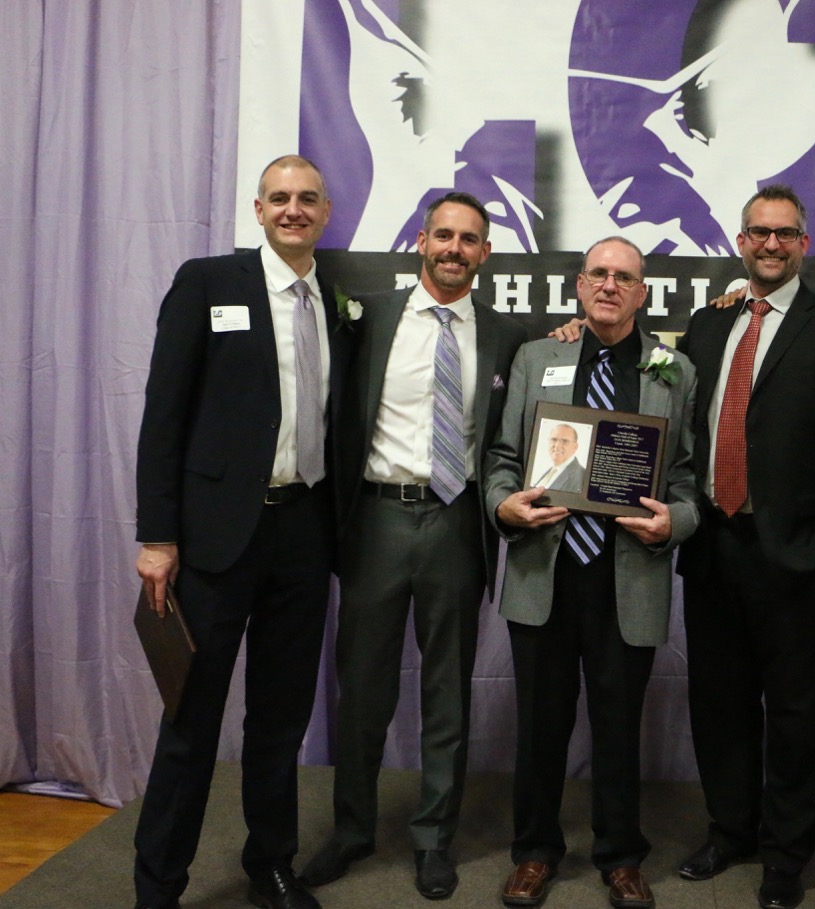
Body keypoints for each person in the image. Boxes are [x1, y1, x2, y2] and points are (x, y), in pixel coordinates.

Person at [133, 155, 350, 909]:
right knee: (191, 719)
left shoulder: (336, 303)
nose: (294, 209)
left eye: (308, 198)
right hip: (215, 540)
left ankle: (271, 864)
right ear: (258, 210)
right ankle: (158, 884)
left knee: (281, 718)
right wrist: (157, 536)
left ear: (326, 213)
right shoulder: (208, 283)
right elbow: (163, 413)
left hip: (304, 534)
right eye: (279, 198)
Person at [300, 192, 526, 900]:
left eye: (470, 239)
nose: (455, 249)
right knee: (363, 687)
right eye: (444, 235)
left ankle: (433, 838)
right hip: (377, 520)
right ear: (422, 242)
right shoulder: (367, 317)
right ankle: (351, 830)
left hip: (457, 522)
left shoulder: (507, 334)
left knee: (447, 690)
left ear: (485, 252)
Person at [675, 185, 815, 909]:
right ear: (740, 242)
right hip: (714, 548)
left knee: (795, 716)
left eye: (785, 233)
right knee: (719, 704)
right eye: (759, 232)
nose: (771, 244)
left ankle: (785, 854)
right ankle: (729, 830)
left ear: (805, 243)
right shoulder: (710, 325)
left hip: (797, 559)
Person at [485, 237, 699, 909]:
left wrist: (676, 522)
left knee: (618, 726)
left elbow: (688, 476)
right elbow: (502, 457)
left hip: (626, 574)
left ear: (642, 293)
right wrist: (503, 504)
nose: (610, 285)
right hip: (545, 571)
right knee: (540, 726)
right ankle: (534, 851)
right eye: (599, 274)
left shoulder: (674, 371)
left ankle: (621, 856)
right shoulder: (536, 358)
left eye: (624, 277)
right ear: (580, 285)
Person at [534, 423, 587, 492]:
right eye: (554, 440)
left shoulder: (582, 478)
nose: (557, 446)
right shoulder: (550, 472)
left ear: (575, 447)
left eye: (565, 441)